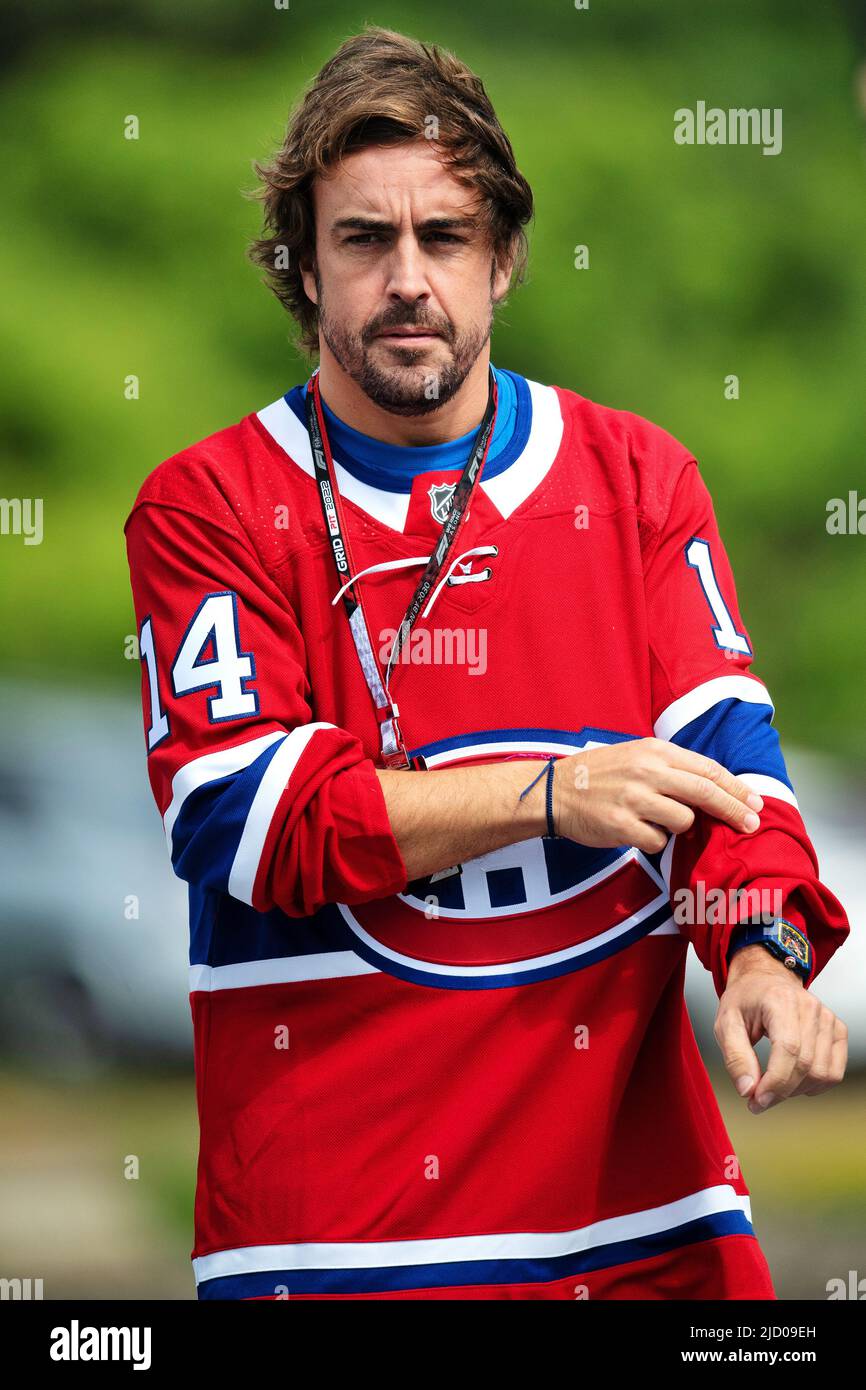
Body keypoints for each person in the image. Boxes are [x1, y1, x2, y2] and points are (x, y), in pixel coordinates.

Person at [124, 27, 849, 1300]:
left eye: (444, 238)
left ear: (503, 257)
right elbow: (253, 826)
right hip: (336, 1245)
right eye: (363, 240)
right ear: (302, 268)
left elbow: (731, 770)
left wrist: (756, 951)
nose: (408, 280)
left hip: (642, 1228)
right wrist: (554, 790)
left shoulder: (633, 479)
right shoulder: (208, 509)